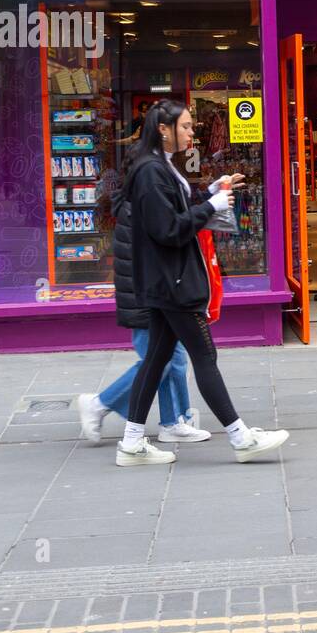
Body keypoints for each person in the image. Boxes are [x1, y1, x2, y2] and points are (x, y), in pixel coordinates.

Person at [115, 99, 289, 466]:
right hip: (174, 282)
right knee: (204, 356)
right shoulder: (151, 170)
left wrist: (210, 194)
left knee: (156, 358)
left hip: (166, 280)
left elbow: (173, 213)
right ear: (163, 129)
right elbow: (167, 229)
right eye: (186, 126)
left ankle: (131, 442)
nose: (192, 132)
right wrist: (211, 207)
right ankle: (241, 437)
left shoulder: (158, 165)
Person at [76, 184, 210, 446]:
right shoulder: (144, 201)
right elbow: (166, 235)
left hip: (156, 293)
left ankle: (174, 421)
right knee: (161, 360)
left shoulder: (144, 196)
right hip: (148, 297)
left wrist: (207, 197)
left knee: (175, 357)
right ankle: (100, 403)